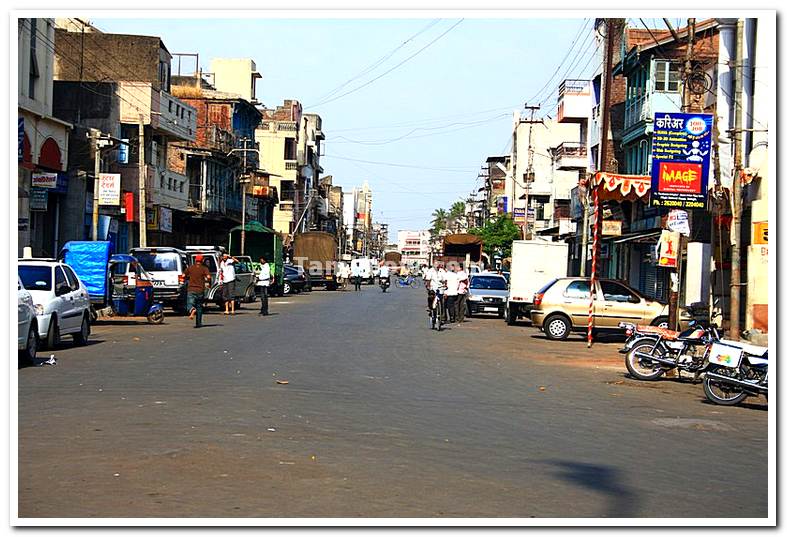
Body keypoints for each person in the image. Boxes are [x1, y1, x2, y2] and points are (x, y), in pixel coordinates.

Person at [184, 254, 211, 328]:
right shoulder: (204, 268)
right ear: (202, 260)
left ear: (195, 260)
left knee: (189, 303)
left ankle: (192, 309)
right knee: (199, 306)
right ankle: (198, 323)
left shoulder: (190, 268)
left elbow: (183, 275)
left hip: (191, 289)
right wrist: (208, 283)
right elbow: (208, 277)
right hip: (200, 290)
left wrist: (185, 279)